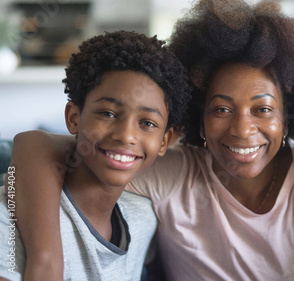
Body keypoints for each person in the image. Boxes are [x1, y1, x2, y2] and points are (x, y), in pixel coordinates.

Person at [8, 1, 294, 280]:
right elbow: (33, 146)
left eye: (262, 110)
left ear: (287, 116)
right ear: (198, 117)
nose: (243, 130)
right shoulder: (170, 173)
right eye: (222, 109)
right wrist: (45, 260)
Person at [0, 30, 191, 280]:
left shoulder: (143, 218)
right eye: (108, 114)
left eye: (147, 123)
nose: (126, 135)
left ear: (165, 140)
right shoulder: (9, 217)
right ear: (74, 118)